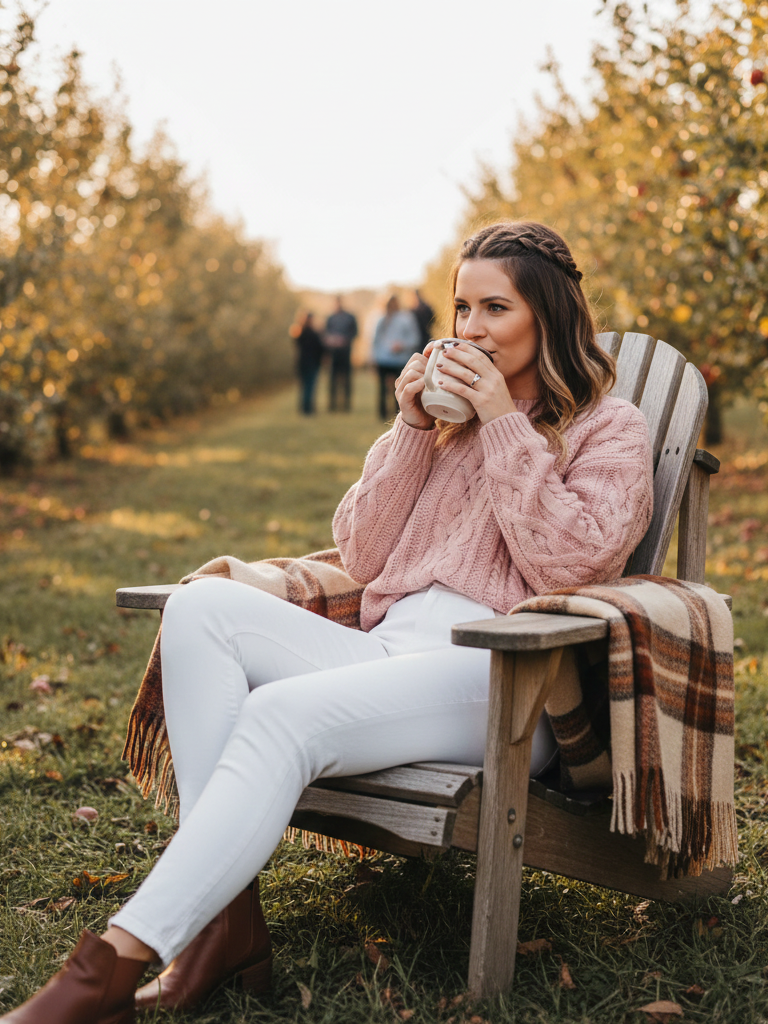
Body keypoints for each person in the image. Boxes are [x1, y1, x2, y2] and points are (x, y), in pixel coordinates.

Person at [1, 221, 654, 1023]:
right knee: (202, 608)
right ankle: (230, 922)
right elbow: (364, 553)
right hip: (391, 651)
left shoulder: (608, 427)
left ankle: (104, 971)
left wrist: (505, 425)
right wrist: (412, 428)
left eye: (495, 308)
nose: (471, 329)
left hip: (506, 676)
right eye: (461, 308)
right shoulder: (443, 430)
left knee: (278, 715)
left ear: (547, 317)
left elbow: (572, 565)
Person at [372, 294, 421, 419]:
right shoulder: (381, 319)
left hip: (400, 360)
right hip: (383, 359)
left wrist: (402, 345)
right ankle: (382, 415)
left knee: (399, 388)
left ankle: (398, 414)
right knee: (382, 389)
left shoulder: (406, 318)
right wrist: (374, 357)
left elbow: (415, 339)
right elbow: (375, 340)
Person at [323, 296, 358, 412]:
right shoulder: (330, 318)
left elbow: (355, 332)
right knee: (332, 380)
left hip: (345, 353)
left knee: (346, 380)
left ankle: (346, 405)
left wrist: (344, 340)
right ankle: (332, 405)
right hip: (333, 353)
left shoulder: (350, 317)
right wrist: (331, 340)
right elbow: (325, 334)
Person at [289, 311, 324, 415]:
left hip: (302, 362)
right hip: (312, 363)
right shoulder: (314, 333)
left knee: (304, 386)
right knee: (310, 386)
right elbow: (321, 348)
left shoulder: (299, 332)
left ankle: (304, 408)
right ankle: (308, 409)